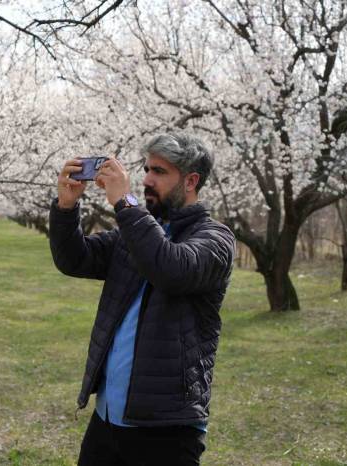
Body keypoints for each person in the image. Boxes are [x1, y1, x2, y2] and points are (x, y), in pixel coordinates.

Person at [49, 133, 236, 466]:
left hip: (167, 427)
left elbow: (172, 268)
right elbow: (74, 259)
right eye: (147, 169)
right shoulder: (134, 234)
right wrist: (66, 208)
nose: (147, 179)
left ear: (191, 181)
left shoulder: (215, 239)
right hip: (107, 417)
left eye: (160, 172)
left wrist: (126, 203)